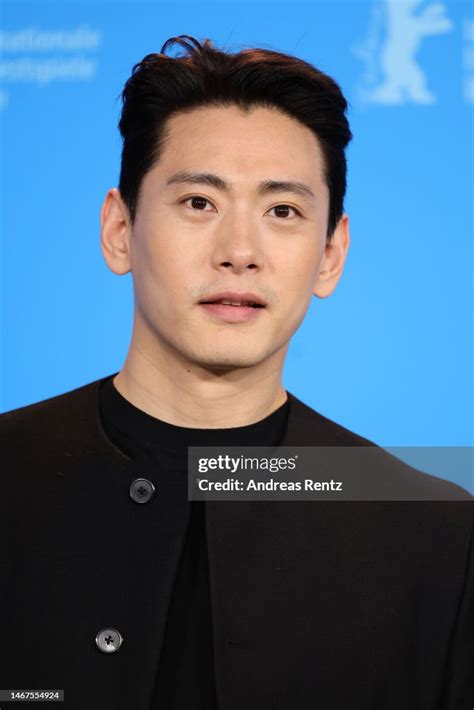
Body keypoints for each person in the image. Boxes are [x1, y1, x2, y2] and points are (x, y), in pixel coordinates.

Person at [0, 35, 472, 710]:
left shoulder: (438, 537)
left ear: (331, 255)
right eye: (199, 202)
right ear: (119, 230)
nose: (240, 252)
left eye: (282, 211)